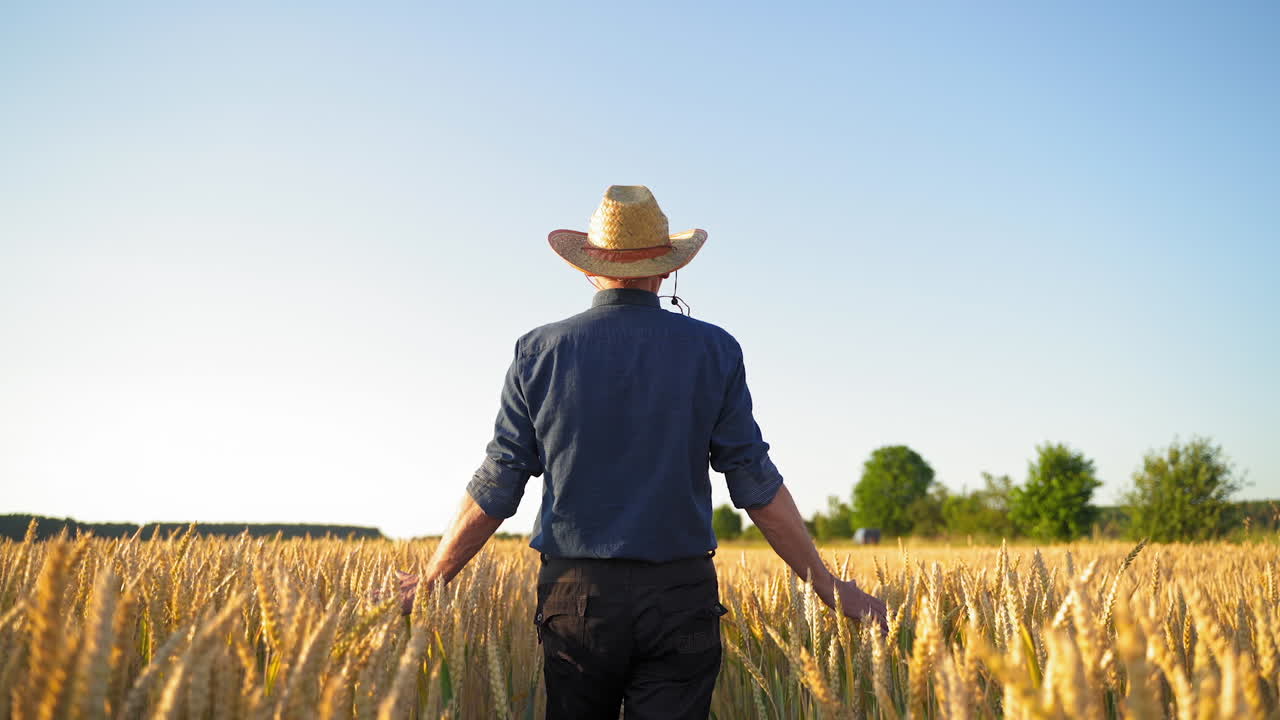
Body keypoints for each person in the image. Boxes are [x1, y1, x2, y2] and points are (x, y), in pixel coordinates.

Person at [398, 185, 887, 719]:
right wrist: (829, 586)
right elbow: (755, 482)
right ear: (666, 270)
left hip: (575, 599)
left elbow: (499, 481)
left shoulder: (538, 352)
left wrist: (432, 578)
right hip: (680, 596)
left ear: (591, 268)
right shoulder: (714, 350)